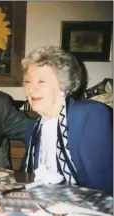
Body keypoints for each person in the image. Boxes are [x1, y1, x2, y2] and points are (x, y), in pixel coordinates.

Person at [20, 46, 113, 195]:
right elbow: (27, 180)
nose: (31, 89)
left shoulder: (91, 115)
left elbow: (102, 187)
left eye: (41, 81)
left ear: (63, 85)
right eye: (28, 81)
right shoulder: (33, 129)